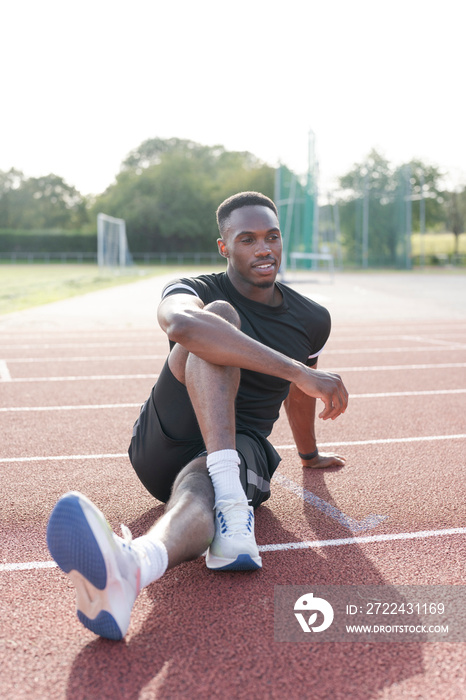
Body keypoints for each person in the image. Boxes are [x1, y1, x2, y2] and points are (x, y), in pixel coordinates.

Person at [47, 191, 348, 641]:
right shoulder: (194, 288)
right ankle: (232, 504)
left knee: (199, 490)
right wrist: (297, 370)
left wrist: (309, 453)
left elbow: (299, 398)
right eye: (247, 239)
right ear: (224, 247)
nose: (264, 249)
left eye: (272, 237)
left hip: (240, 445)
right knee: (217, 319)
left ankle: (132, 566)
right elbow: (184, 327)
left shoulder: (311, 318)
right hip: (165, 438)